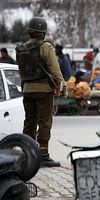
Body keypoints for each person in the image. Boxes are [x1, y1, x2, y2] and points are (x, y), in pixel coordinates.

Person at [15, 16, 66, 167]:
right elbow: (55, 71)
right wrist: (63, 88)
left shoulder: (21, 49)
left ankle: (27, 153)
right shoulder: (46, 47)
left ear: (29, 32)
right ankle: (43, 154)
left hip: (27, 90)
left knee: (29, 121)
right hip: (43, 91)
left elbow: (22, 72)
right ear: (42, 33)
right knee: (44, 122)